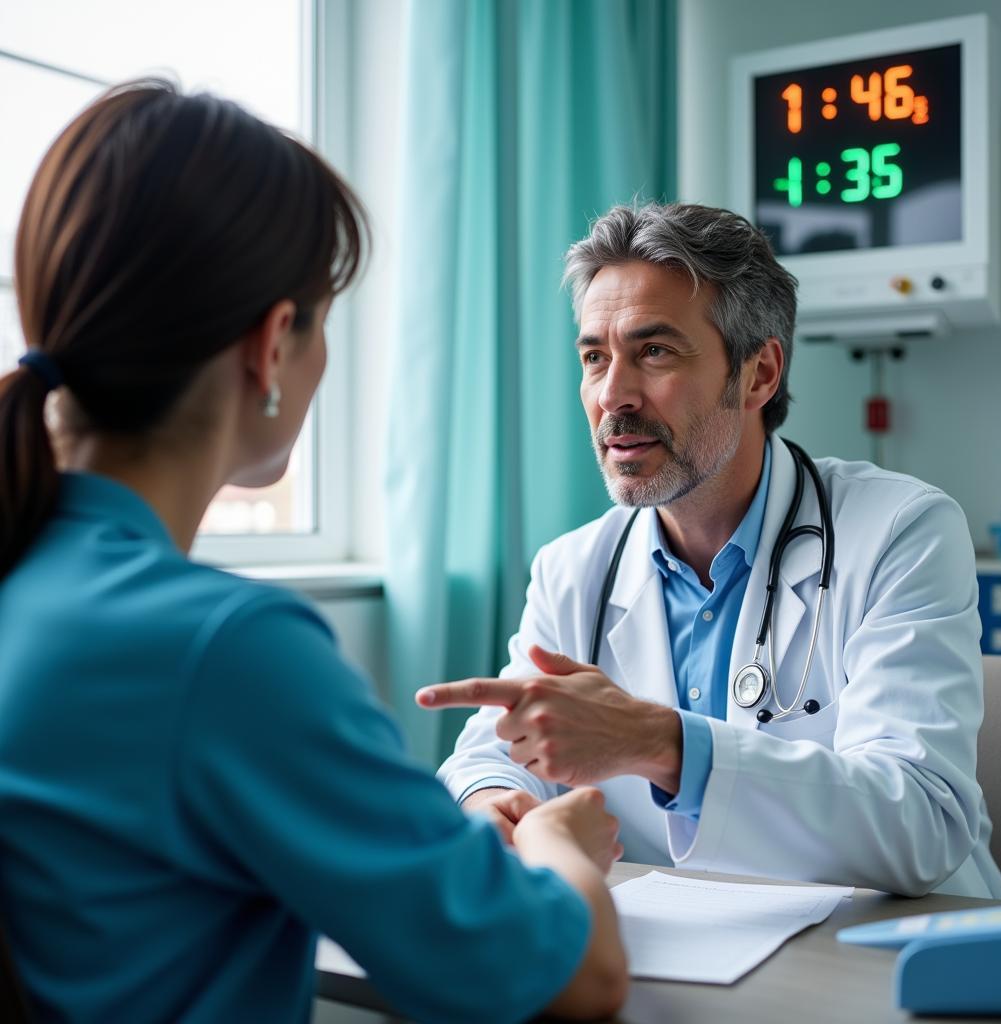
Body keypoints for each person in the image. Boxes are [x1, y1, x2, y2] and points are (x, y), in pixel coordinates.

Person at [0, 81, 628, 1024]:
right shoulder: (224, 650)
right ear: (274, 343)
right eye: (325, 321)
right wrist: (557, 840)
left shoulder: (29, 579)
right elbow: (576, 985)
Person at [421, 202, 1001, 901]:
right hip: (686, 963)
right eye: (593, 357)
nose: (613, 394)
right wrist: (491, 802)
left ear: (759, 374)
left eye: (655, 351)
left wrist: (662, 744)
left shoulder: (900, 531)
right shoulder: (574, 566)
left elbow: (922, 822)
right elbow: (496, 750)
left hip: (883, 956)